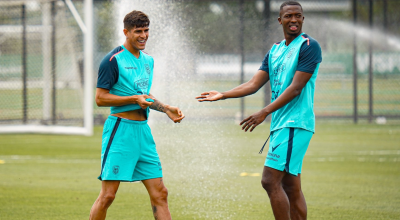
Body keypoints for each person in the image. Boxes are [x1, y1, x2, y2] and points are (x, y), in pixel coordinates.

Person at [196, 1, 322, 219]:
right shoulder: (274, 50)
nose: (294, 20)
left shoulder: (309, 46)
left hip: (295, 123)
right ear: (280, 20)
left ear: (303, 19)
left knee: (269, 180)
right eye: (289, 16)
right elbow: (253, 84)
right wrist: (223, 94)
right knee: (291, 187)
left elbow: (296, 88)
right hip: (281, 125)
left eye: (298, 16)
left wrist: (264, 112)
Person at [90, 10, 184, 220]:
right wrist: (133, 99)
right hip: (120, 132)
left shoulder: (148, 60)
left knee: (161, 193)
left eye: (146, 31)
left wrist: (166, 108)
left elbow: (144, 95)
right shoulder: (112, 60)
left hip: (143, 134)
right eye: (138, 31)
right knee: (108, 196)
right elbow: (100, 98)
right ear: (126, 32)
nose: (143, 36)